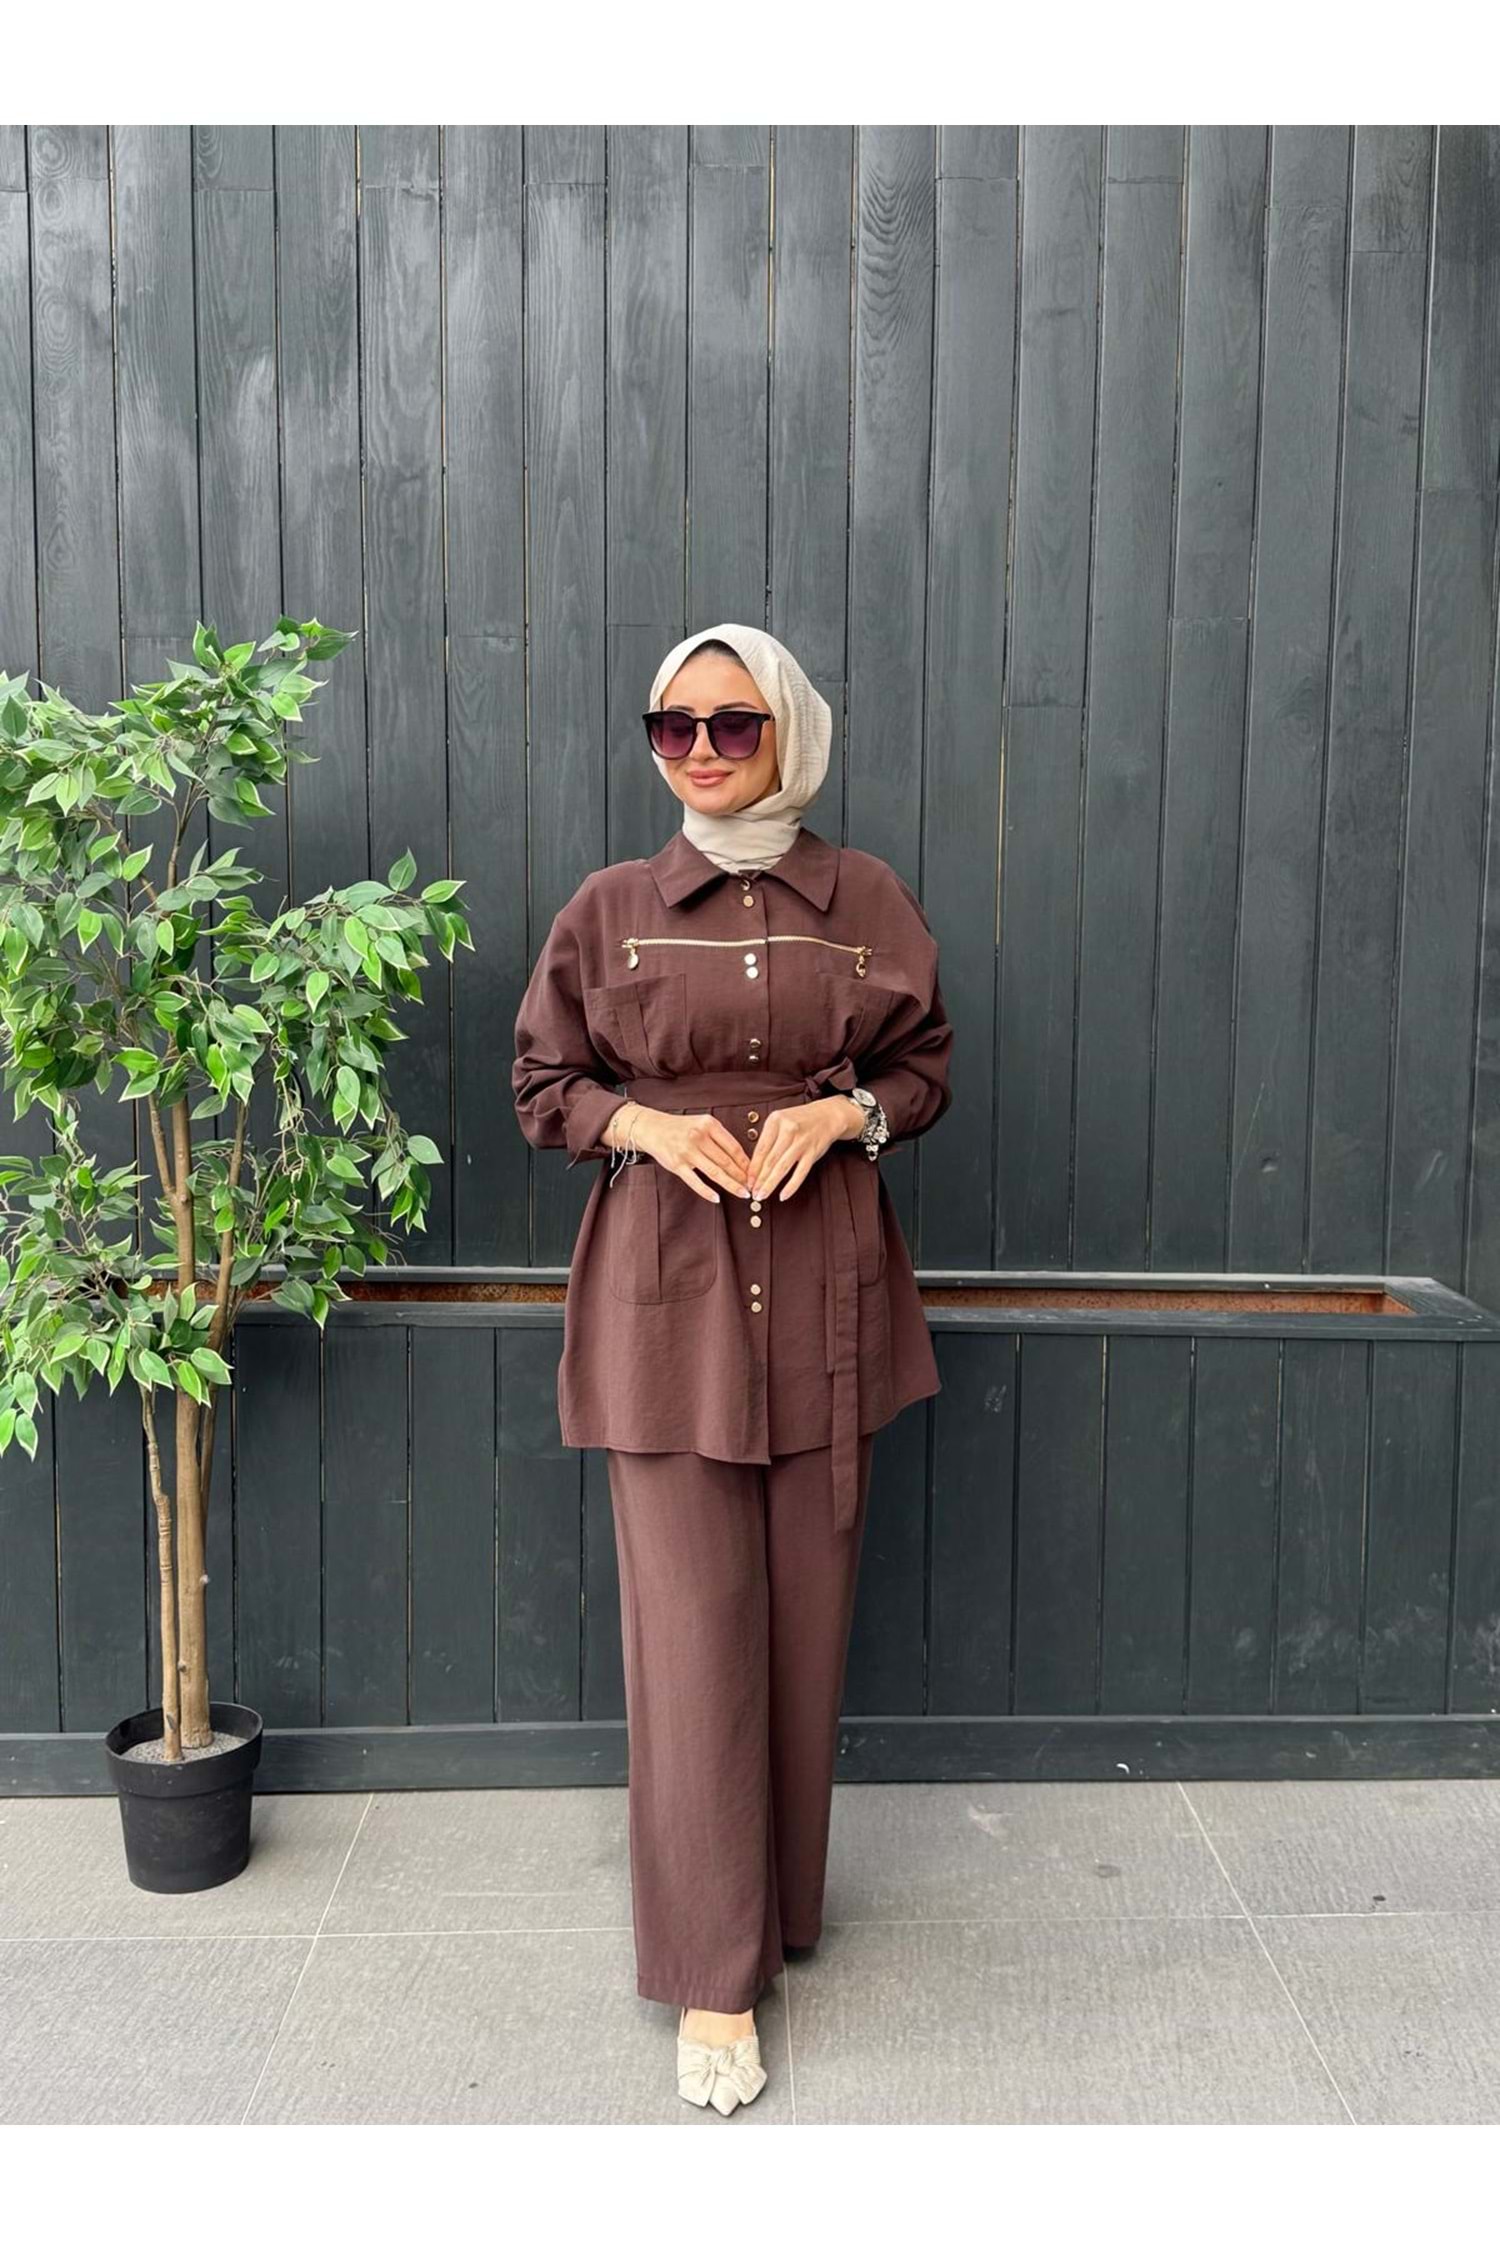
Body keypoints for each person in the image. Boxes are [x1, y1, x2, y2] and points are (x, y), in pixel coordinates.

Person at [511, 622, 953, 2114]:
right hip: (667, 1303)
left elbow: (925, 1065)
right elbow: (544, 1081)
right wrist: (638, 1123)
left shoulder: (866, 899)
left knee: (807, 1624)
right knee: (695, 1635)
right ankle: (714, 1972)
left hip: (825, 1284)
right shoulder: (610, 909)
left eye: (733, 723)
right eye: (673, 726)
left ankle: (780, 1910)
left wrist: (849, 1117)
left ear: (790, 732)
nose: (700, 750)